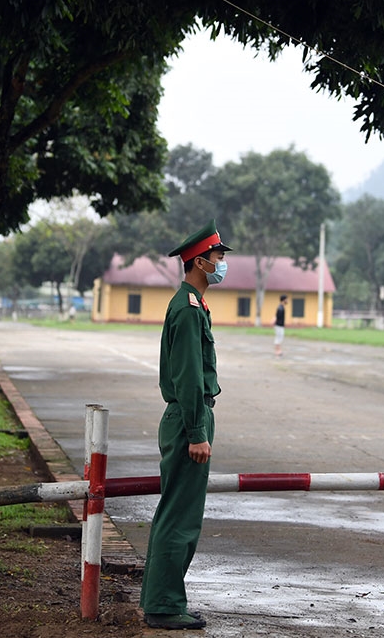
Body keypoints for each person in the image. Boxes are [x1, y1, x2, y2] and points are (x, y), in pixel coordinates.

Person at [140, 220, 232, 631]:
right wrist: (198, 432)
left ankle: (165, 600)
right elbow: (190, 377)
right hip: (188, 418)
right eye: (218, 257)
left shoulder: (191, 303)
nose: (222, 263)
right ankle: (163, 606)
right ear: (200, 261)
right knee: (179, 517)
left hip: (189, 416)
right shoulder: (188, 308)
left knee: (177, 514)